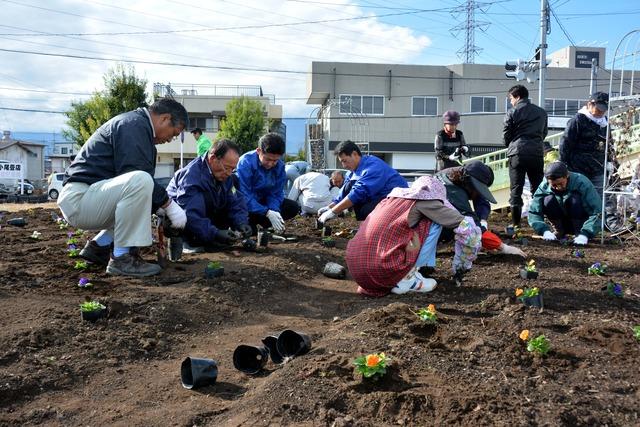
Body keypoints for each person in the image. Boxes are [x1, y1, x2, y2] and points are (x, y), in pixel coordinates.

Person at [57, 98, 189, 277]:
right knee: (141, 179)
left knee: (142, 190)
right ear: (165, 118)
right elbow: (138, 176)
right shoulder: (133, 126)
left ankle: (99, 246)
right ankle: (121, 258)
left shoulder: (138, 128)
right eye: (174, 132)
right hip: (79, 198)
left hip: (89, 197)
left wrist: (159, 207)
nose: (170, 139)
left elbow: (138, 191)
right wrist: (170, 205)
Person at [345, 176, 482, 297]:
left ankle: (402, 276)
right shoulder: (425, 201)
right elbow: (467, 229)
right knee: (433, 222)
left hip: (359, 272)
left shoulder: (390, 200)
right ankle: (407, 278)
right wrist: (462, 266)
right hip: (382, 269)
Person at [166, 139, 251, 253]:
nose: (229, 173)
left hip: (205, 223)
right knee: (206, 198)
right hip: (180, 223)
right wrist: (215, 233)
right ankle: (187, 242)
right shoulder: (191, 176)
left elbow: (235, 201)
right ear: (212, 158)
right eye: (226, 167)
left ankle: (210, 238)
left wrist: (241, 223)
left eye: (232, 169)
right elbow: (190, 213)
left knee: (225, 197)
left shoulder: (226, 177)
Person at [435, 161, 526, 257]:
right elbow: (472, 226)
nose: (478, 192)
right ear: (469, 183)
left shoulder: (459, 174)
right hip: (427, 226)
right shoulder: (454, 194)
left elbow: (480, 199)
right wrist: (503, 247)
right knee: (460, 227)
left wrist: (482, 220)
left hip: (435, 216)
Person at [317, 140, 408, 224]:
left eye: (345, 161)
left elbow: (358, 193)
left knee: (364, 209)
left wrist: (333, 212)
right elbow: (346, 191)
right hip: (381, 197)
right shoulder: (352, 171)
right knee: (350, 186)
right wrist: (330, 207)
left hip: (397, 201)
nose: (344, 165)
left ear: (354, 154)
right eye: (342, 162)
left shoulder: (373, 167)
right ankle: (368, 226)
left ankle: (377, 229)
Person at [503, 84, 548, 230]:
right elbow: (544, 133)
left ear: (517, 97)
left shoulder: (512, 112)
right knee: (538, 188)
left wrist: (511, 144)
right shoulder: (541, 112)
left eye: (511, 98)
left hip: (517, 153)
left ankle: (516, 224)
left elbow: (506, 135)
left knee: (516, 188)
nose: (511, 102)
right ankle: (538, 221)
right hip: (536, 152)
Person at [235, 133, 300, 233]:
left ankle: (266, 223)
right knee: (249, 230)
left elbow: (276, 193)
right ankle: (250, 223)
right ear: (258, 151)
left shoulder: (280, 166)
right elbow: (244, 194)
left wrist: (274, 211)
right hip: (246, 205)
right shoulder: (246, 162)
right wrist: (266, 212)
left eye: (275, 160)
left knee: (292, 207)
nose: (271, 164)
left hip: (264, 202)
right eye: (268, 159)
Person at [528, 161, 601, 245]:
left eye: (561, 183)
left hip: (581, 223)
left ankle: (579, 233)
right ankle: (559, 231)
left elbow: (598, 212)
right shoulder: (545, 185)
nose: (558, 187)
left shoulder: (581, 182)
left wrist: (585, 234)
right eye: (554, 185)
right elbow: (534, 211)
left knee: (575, 199)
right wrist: (544, 231)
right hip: (561, 221)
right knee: (548, 199)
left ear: (567, 175)